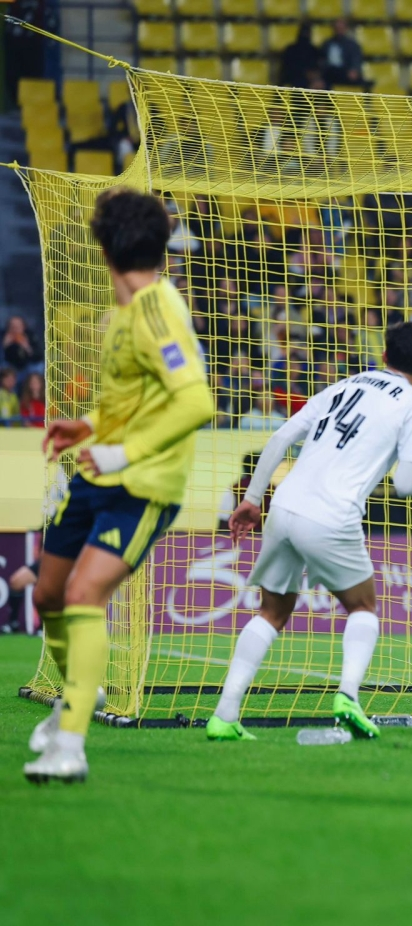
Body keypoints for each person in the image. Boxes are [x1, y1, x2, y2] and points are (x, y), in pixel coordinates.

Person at [25, 189, 215, 783]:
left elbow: (196, 401)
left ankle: (71, 744)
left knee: (84, 596)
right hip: (96, 472)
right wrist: (88, 427)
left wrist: (123, 450)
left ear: (102, 248)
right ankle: (82, 690)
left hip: (144, 484)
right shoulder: (124, 315)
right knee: (47, 596)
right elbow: (136, 401)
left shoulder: (158, 310)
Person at [208, 322, 412, 742]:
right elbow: (405, 486)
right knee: (363, 607)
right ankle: (348, 696)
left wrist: (253, 499)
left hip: (284, 505)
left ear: (384, 356)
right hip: (331, 514)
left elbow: (280, 437)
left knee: (271, 613)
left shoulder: (344, 385)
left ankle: (224, 714)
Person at [279, 23, 323, 89]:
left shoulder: (314, 50)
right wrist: (305, 73)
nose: (305, 35)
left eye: (307, 33)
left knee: (324, 84)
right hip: (295, 78)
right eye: (303, 33)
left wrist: (315, 76)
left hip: (313, 79)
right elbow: (287, 69)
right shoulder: (291, 50)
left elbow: (318, 66)